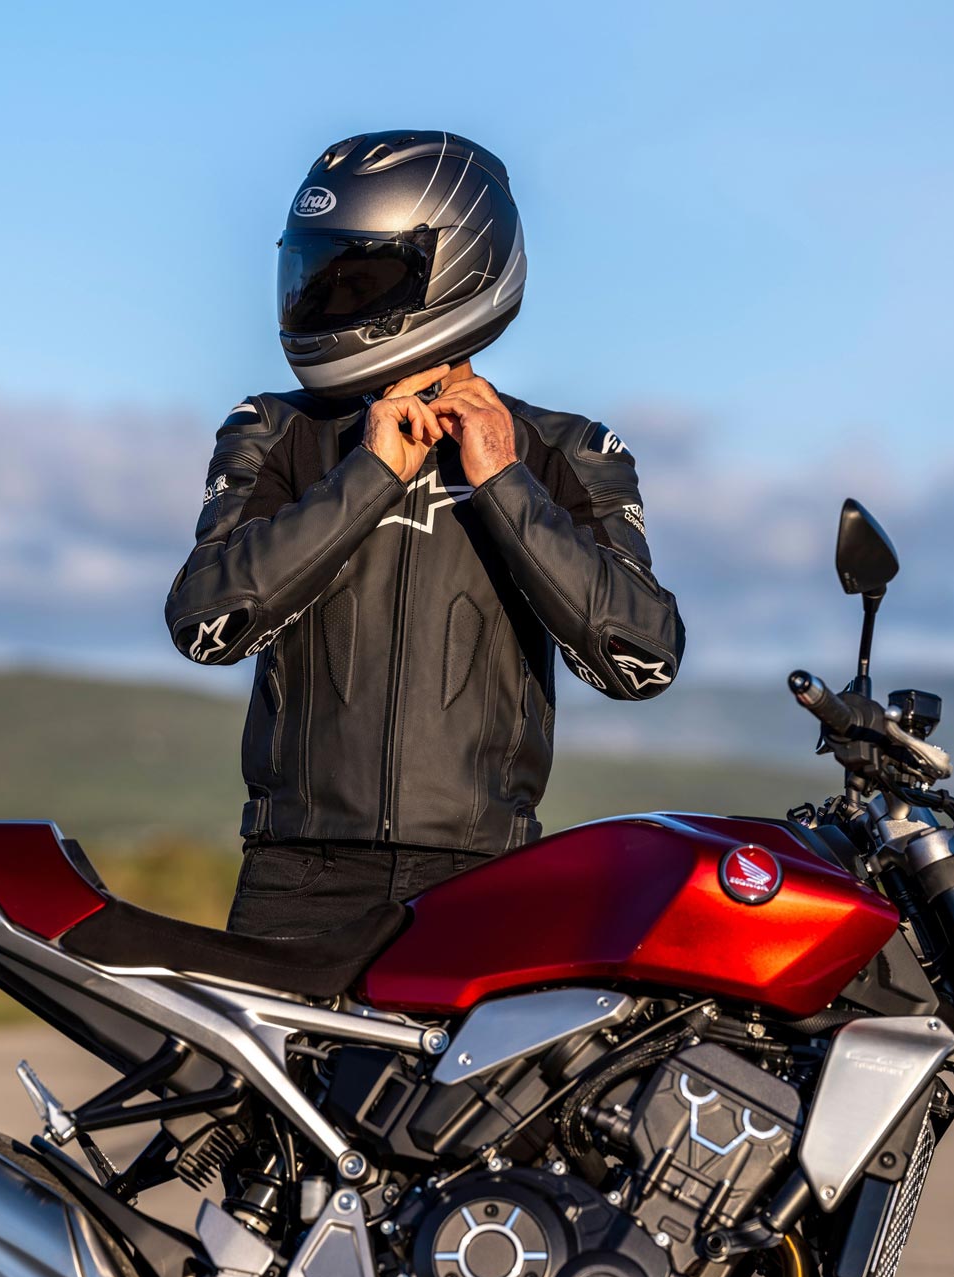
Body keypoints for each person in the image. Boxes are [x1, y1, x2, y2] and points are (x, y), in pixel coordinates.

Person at [165, 130, 685, 938]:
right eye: (316, 272)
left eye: (358, 276)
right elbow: (205, 624)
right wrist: (368, 473)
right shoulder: (274, 430)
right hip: (296, 879)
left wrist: (503, 483)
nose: (321, 297)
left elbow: (641, 661)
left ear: (456, 271)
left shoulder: (569, 451)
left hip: (485, 882)